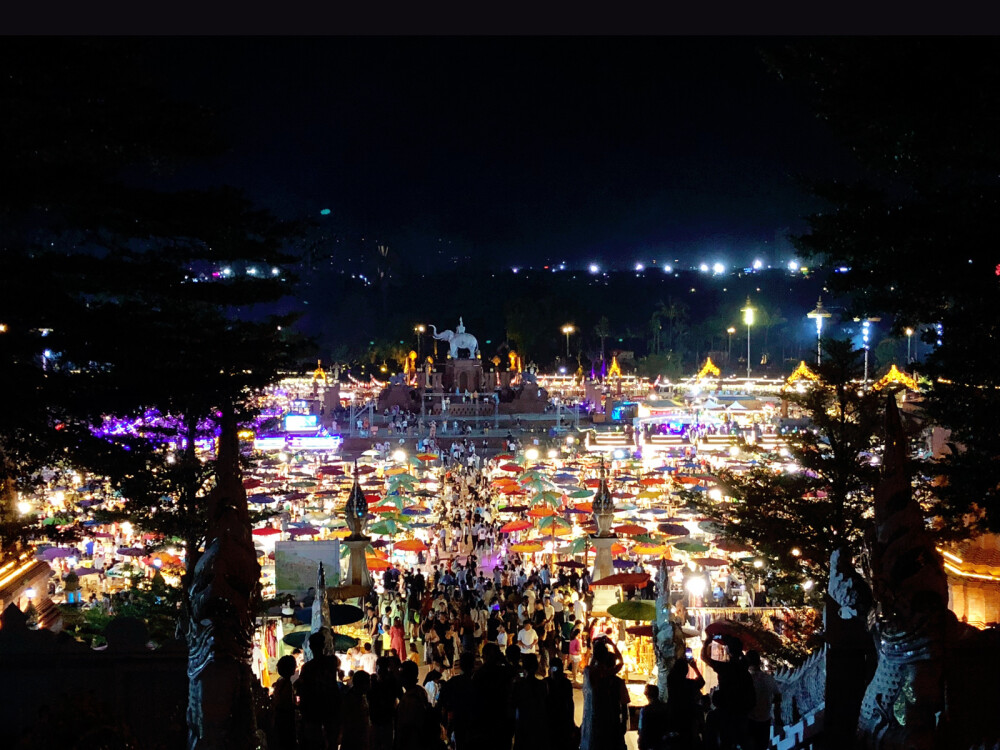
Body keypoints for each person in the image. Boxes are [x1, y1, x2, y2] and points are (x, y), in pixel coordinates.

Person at [701, 635, 755, 750]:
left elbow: (704, 657)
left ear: (728, 650)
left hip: (727, 711)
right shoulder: (744, 669)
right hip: (741, 712)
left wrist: (708, 641)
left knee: (726, 740)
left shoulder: (725, 668)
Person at [579, 637, 630, 750]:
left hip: (594, 715)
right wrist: (612, 644)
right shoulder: (609, 675)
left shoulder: (589, 672)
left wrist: (595, 651)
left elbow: (592, 664)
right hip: (610, 717)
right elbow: (621, 662)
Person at [295, 632, 342, 750]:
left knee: (315, 742)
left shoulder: (308, 667)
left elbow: (302, 688)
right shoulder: (331, 662)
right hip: (330, 706)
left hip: (313, 709)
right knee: (331, 741)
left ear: (310, 647)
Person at [665, 651, 705, 746]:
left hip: (674, 716)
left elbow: (672, 673)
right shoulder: (689, 684)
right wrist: (694, 667)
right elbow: (702, 682)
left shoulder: (671, 682)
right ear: (686, 671)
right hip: (688, 718)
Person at [512, 652, 550, 750]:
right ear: (536, 666)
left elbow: (513, 703)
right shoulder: (543, 685)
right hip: (538, 721)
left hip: (523, 721)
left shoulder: (518, 685)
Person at [745, 650, 780, 750]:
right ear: (759, 662)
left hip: (749, 720)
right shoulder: (769, 679)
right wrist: (777, 716)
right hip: (765, 720)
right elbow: (777, 696)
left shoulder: (747, 680)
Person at [544, 659, 578, 750]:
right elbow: (570, 703)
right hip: (558, 717)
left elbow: (570, 703)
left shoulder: (547, 682)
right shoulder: (563, 682)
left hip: (555, 718)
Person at [269, 655, 298, 750]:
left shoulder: (280, 681)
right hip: (286, 718)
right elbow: (287, 704)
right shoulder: (287, 683)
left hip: (279, 717)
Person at [340, 670, 372, 750]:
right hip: (354, 741)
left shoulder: (360, 696)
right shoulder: (352, 699)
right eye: (368, 682)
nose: (370, 685)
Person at [638, 684, 670, 750]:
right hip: (662, 741)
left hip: (649, 741)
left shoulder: (645, 710)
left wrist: (640, 742)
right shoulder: (665, 707)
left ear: (646, 694)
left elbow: (642, 728)